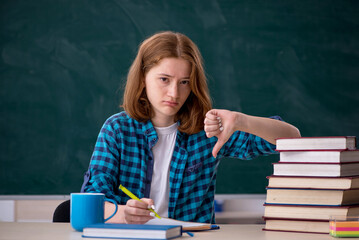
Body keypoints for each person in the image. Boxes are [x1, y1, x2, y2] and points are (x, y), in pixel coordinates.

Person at [81, 31, 301, 224]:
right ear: (143, 79)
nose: (174, 93)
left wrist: (240, 120)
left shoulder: (209, 130)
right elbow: (92, 198)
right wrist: (122, 214)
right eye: (164, 79)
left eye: (184, 82)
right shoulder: (117, 129)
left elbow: (291, 138)